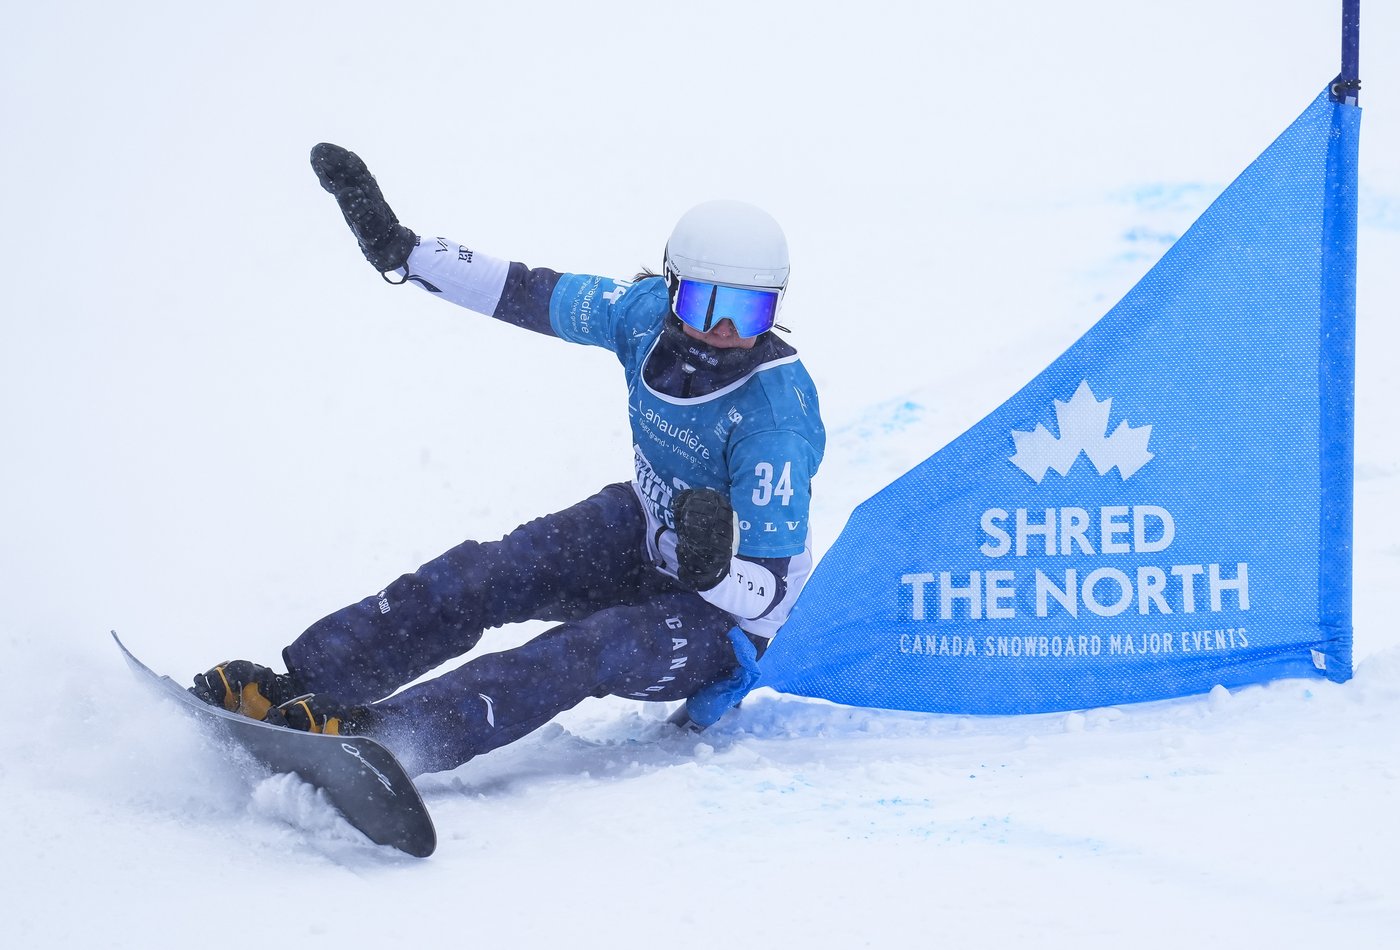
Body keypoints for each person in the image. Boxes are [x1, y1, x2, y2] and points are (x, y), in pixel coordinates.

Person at [189, 144, 826, 776]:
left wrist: (712, 568)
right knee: (483, 573)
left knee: (582, 650)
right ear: (671, 288)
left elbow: (764, 593)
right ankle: (294, 686)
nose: (724, 330)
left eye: (749, 310)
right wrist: (405, 252)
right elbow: (527, 291)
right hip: (643, 530)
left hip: (722, 619)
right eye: (704, 304)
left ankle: (389, 739)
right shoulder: (640, 317)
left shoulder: (776, 421)